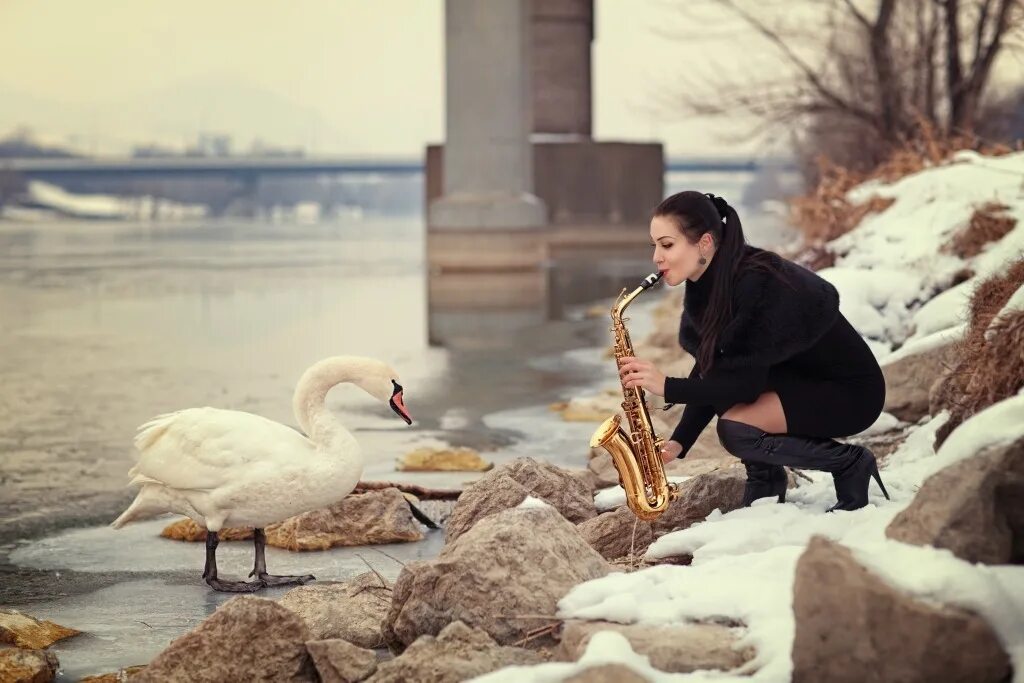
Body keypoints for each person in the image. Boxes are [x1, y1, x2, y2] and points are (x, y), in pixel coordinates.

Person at [617, 190, 889, 511]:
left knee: (736, 429)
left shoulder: (756, 281)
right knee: (729, 403)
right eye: (655, 246)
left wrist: (666, 386)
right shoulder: (707, 282)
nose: (656, 258)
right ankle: (768, 481)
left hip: (849, 394)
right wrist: (680, 441)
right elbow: (715, 367)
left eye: (667, 245)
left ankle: (849, 462)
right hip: (801, 383)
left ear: (704, 243)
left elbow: (742, 387)